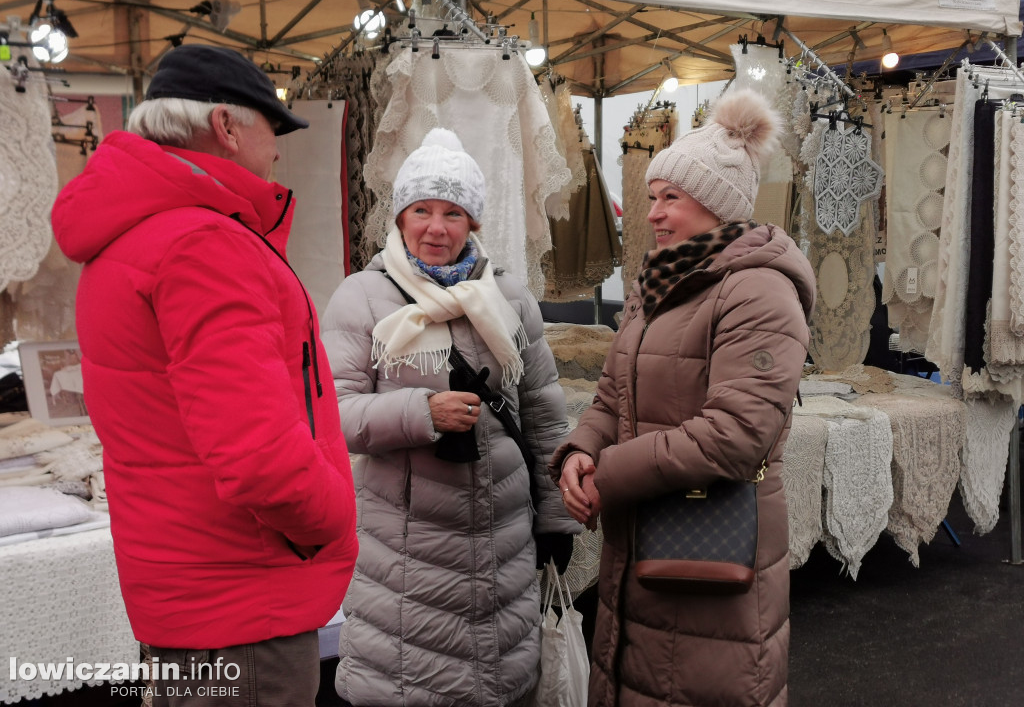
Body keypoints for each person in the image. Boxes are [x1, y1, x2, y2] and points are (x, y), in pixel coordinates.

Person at [50, 44, 359, 707]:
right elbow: (259, 456)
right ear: (226, 126)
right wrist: (335, 512)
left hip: (196, 592)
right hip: (244, 602)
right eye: (269, 128)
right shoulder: (202, 243)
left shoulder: (135, 233)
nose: (275, 150)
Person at [552, 89, 815, 707]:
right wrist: (579, 452)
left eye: (672, 197)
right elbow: (614, 392)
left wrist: (609, 473)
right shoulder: (659, 284)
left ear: (717, 205)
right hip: (642, 542)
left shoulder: (759, 292)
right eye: (652, 197)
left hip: (708, 554)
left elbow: (735, 434)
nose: (655, 214)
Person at [321, 127, 581, 706]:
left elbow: (543, 413)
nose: (436, 228)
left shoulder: (510, 297)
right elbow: (332, 416)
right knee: (412, 688)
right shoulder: (362, 298)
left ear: (474, 224)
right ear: (400, 217)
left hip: (503, 550)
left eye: (453, 213)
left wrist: (556, 518)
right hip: (408, 558)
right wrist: (421, 411)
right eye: (422, 210)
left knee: (499, 683)